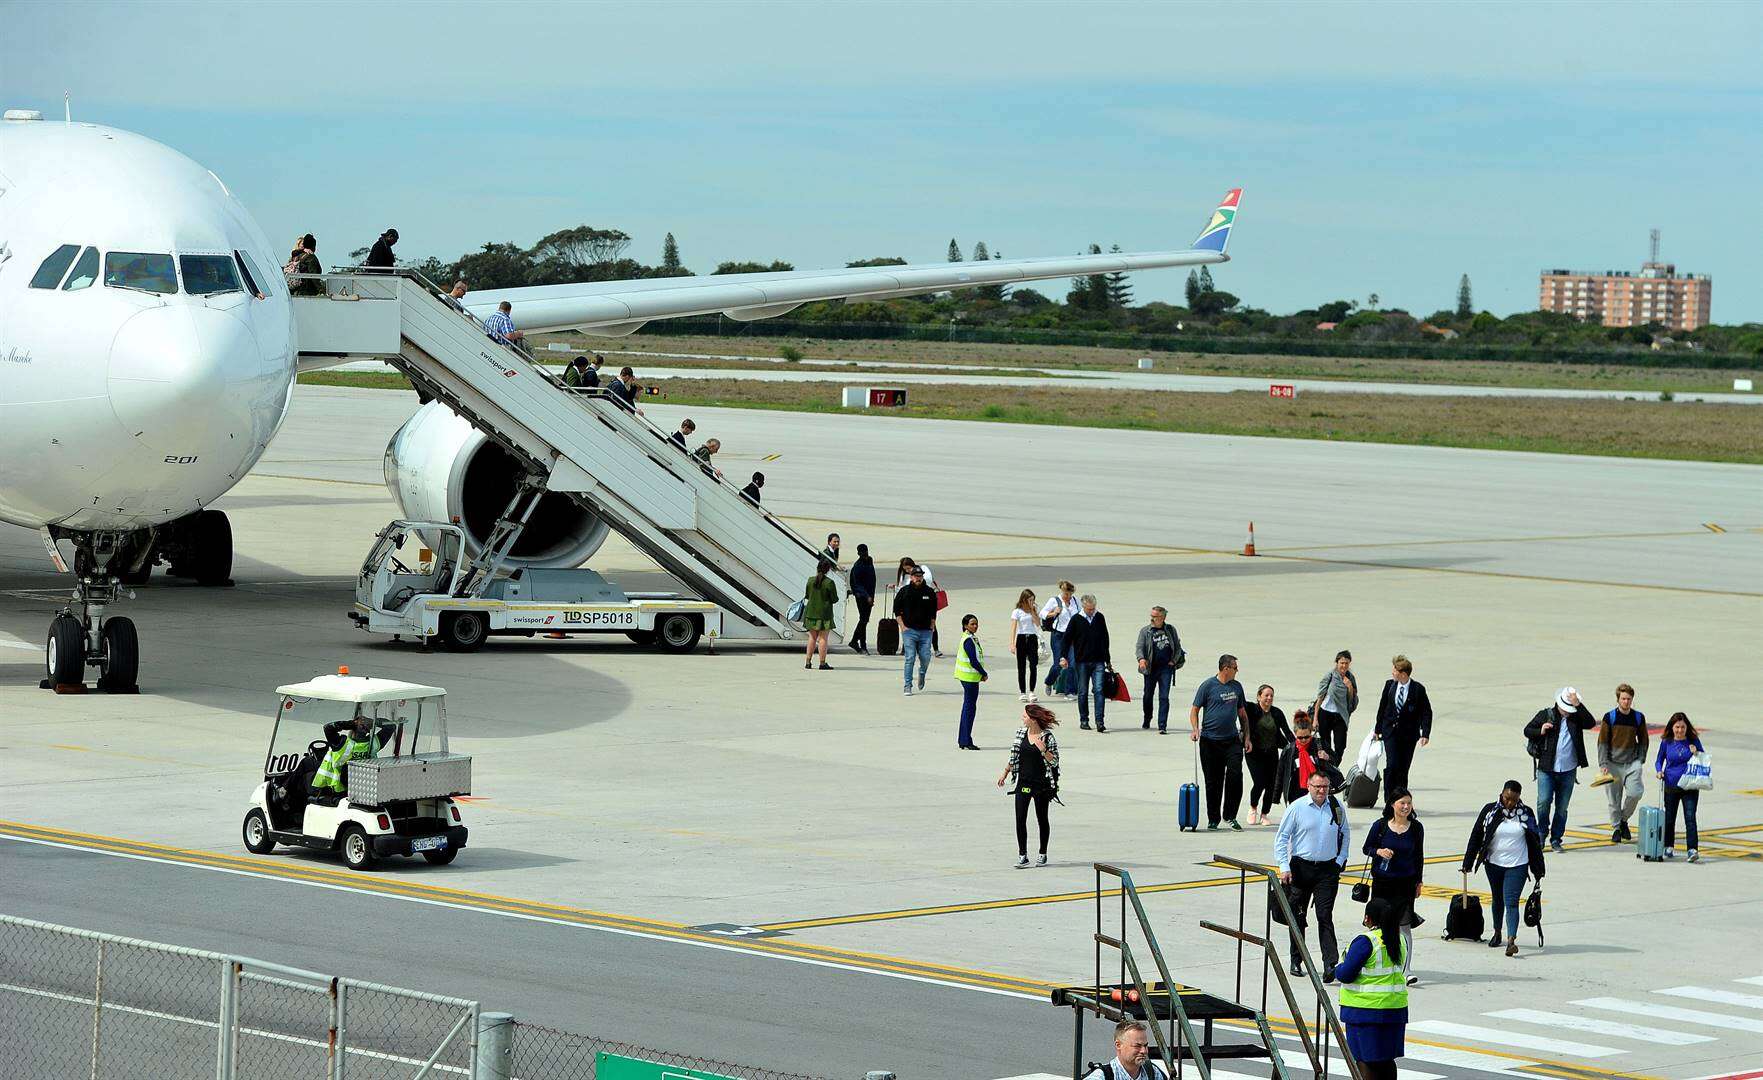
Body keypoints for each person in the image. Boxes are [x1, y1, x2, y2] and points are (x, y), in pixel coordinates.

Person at [1275, 769, 1350, 979]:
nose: (1321, 790)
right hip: (1301, 868)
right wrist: (1284, 866)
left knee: (1324, 916)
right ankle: (1296, 960)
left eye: (1325, 787)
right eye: (1317, 787)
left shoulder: (1335, 806)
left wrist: (1339, 860)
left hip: (1327, 870)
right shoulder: (1297, 808)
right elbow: (1281, 839)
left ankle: (1330, 964)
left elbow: (1345, 833)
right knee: (1298, 917)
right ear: (1309, 786)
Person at [1462, 779, 1545, 957]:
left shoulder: (1526, 813)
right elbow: (1477, 835)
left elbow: (1535, 842)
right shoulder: (1490, 811)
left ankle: (1511, 940)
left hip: (1518, 865)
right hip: (1493, 864)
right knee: (1497, 899)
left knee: (1511, 902)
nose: (1510, 803)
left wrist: (1539, 870)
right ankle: (1497, 931)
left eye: (1514, 800)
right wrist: (1468, 862)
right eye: (1507, 798)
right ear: (1502, 793)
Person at [1334, 898, 1409, 1080]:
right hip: (1394, 1011)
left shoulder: (1366, 941)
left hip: (1365, 1012)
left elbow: (1345, 974)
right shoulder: (1400, 939)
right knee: (1386, 1060)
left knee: (1365, 1060)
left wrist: (1337, 968)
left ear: (1368, 918)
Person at [1361, 789, 1424, 985]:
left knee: (1404, 926)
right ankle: (1379, 962)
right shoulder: (1380, 826)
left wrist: (1419, 881)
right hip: (1382, 883)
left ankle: (1406, 970)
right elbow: (1367, 848)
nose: (1406, 807)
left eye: (1408, 803)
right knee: (1380, 925)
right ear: (1392, 805)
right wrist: (1379, 851)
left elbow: (1419, 856)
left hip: (1405, 884)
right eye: (1402, 803)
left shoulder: (1416, 828)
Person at [1523, 687, 1597, 853]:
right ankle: (1541, 833)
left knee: (1562, 807)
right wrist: (1540, 730)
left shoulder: (1576, 717)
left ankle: (1556, 838)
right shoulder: (1546, 714)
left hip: (1568, 770)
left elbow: (1591, 723)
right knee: (1543, 803)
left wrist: (1579, 705)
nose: (1568, 712)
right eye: (1566, 708)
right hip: (1546, 769)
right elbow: (1527, 730)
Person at [1190, 655, 1252, 829]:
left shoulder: (1237, 687)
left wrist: (1247, 737)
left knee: (1235, 775)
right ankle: (1213, 818)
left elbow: (1243, 715)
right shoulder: (1208, 686)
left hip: (1232, 740)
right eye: (1235, 667)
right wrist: (1195, 729)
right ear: (1226, 668)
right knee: (1213, 781)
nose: (1237, 670)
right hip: (1210, 741)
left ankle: (1230, 815)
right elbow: (1194, 710)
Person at [998, 704, 1060, 868]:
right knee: (1020, 819)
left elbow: (1054, 761)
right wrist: (1005, 773)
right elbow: (1015, 756)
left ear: (1033, 720)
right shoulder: (1020, 733)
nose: (1022, 718)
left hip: (1041, 784)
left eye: (1025, 716)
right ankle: (1022, 855)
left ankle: (1042, 853)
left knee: (1042, 818)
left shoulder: (1047, 737)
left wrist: (1043, 750)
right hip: (1023, 782)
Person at [1372, 655, 1433, 804]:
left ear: (1403, 674)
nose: (1392, 672)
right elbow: (1382, 708)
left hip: (1408, 736)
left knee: (1403, 768)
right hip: (1390, 733)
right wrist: (1377, 729)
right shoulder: (1389, 685)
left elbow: (1426, 712)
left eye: (1395, 670)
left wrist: (1425, 733)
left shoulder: (1417, 689)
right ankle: (1389, 800)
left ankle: (1401, 800)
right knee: (1392, 765)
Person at [1597, 682, 1649, 844]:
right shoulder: (1610, 717)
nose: (1626, 701)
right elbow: (1602, 742)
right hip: (1612, 763)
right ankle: (1616, 828)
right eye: (1623, 698)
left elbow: (1644, 740)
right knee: (1613, 799)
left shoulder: (1638, 717)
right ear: (1618, 699)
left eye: (1629, 699)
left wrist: (1640, 759)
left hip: (1632, 762)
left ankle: (1623, 819)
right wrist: (1603, 763)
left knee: (1635, 793)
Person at [309, 710, 396, 803]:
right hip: (364, 787)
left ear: (353, 728)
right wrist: (373, 721)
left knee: (306, 765)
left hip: (338, 790)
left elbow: (328, 728)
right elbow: (391, 726)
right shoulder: (373, 744)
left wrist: (351, 723)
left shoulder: (342, 744)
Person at [1655, 712, 1705, 862]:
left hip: (1690, 786)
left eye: (1683, 727)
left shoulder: (1693, 740)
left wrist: (1696, 752)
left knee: (1690, 817)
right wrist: (1659, 771)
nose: (1680, 730)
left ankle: (1692, 849)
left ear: (1687, 727)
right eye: (1677, 727)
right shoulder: (1666, 742)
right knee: (1669, 818)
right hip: (1671, 784)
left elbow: (1704, 758)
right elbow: (1659, 760)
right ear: (1672, 727)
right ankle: (1668, 845)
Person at [1244, 684, 1292, 826]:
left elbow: (1287, 732)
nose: (1269, 698)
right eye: (1266, 695)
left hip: (1271, 753)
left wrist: (1298, 746)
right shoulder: (1251, 709)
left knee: (1271, 784)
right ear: (1259, 696)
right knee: (1259, 782)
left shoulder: (1277, 713)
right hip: (1254, 753)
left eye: (1271, 695)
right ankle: (1253, 808)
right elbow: (1238, 703)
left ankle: (1265, 814)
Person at [1061, 594, 1111, 732]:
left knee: (1099, 690)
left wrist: (1107, 659)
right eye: (1089, 609)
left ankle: (1100, 721)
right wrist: (1063, 657)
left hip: (1098, 661)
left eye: (1093, 608)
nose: (1091, 611)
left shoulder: (1099, 617)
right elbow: (1066, 639)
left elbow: (1105, 638)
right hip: (1082, 661)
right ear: (1083, 606)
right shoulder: (1076, 619)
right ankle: (1084, 720)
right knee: (1082, 691)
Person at [1134, 606, 1182, 734]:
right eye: (1152, 616)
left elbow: (1178, 647)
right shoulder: (1146, 631)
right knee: (1148, 696)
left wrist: (1173, 661)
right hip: (1150, 669)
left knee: (1164, 697)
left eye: (1155, 616)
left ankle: (1162, 725)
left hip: (1166, 669)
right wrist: (1141, 659)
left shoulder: (1170, 630)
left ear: (1163, 617)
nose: (1152, 619)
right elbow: (1139, 647)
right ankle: (1147, 718)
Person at [1277, 712, 1339, 806]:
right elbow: (1280, 773)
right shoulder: (1289, 750)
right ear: (1295, 735)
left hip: (1317, 791)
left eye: (1306, 737)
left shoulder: (1319, 745)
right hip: (1295, 793)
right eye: (1300, 737)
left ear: (1311, 733)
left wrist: (1327, 757)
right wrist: (1276, 795)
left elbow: (1336, 760)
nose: (1303, 740)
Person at [893, 564, 938, 695]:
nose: (918, 578)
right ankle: (907, 685)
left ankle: (922, 673)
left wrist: (932, 625)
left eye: (920, 576)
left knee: (925, 657)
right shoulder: (904, 591)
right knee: (910, 658)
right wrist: (902, 626)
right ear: (911, 577)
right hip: (909, 631)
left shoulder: (929, 592)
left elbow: (933, 611)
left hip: (925, 631)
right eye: (916, 576)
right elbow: (896, 610)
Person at [1312, 650, 1359, 763]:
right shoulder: (1330, 676)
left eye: (1346, 663)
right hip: (1325, 713)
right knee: (1325, 744)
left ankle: (1334, 765)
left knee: (1340, 745)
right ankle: (1326, 767)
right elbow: (1320, 697)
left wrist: (1349, 687)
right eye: (1341, 662)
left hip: (1340, 715)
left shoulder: (1350, 678)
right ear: (1337, 663)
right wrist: (1315, 718)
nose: (1344, 665)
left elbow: (1352, 701)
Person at [1080, 1021, 1166, 1080]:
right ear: (1118, 1045)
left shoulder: (1153, 1072)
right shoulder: (1101, 1077)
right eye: (1137, 1046)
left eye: (1145, 1045)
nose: (1143, 1051)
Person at [1039, 580, 1079, 699]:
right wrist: (1053, 613)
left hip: (1072, 636)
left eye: (1070, 594)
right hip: (1058, 636)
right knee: (1058, 664)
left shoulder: (1075, 601)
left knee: (1072, 664)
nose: (1068, 596)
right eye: (1066, 594)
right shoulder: (1054, 600)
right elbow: (1042, 613)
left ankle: (1069, 691)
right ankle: (1049, 681)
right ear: (1062, 591)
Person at [953, 613, 988, 750]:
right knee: (969, 709)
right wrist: (983, 673)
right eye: (972, 624)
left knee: (968, 708)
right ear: (965, 625)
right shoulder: (968, 640)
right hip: (969, 679)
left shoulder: (971, 638)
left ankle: (964, 739)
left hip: (970, 678)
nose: (975, 626)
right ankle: (966, 740)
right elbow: (973, 660)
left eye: (976, 623)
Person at [800, 559, 839, 671]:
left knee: (812, 637)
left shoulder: (810, 580)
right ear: (828, 570)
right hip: (824, 614)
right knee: (823, 639)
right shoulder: (829, 582)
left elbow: (807, 595)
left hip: (811, 612)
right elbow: (834, 599)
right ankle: (822, 663)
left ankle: (808, 661)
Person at [1009, 589, 1041, 702]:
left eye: (1033, 600)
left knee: (1033, 665)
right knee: (1021, 667)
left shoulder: (1034, 610)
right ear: (1024, 599)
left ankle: (1032, 691)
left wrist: (1033, 611)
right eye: (1030, 600)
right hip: (1021, 638)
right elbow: (1013, 628)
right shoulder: (1017, 611)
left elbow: (1038, 624)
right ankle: (1022, 692)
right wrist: (1012, 643)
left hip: (1032, 638)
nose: (1032, 602)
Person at [847, 544, 875, 655]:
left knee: (864, 620)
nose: (865, 554)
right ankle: (862, 645)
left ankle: (854, 641)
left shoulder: (869, 561)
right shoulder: (858, 566)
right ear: (858, 554)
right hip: (861, 596)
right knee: (863, 620)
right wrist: (867, 596)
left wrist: (871, 596)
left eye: (866, 552)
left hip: (869, 596)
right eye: (862, 553)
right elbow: (857, 584)